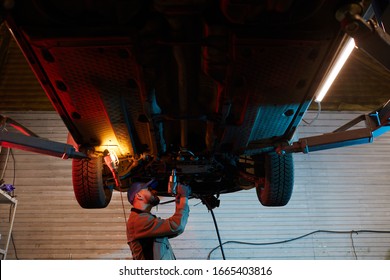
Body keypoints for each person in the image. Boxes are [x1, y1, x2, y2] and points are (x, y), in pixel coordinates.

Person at [126, 179, 191, 260]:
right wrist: (184, 197)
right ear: (139, 195)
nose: (155, 191)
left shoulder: (144, 219)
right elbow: (176, 226)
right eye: (149, 189)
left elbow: (175, 230)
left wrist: (179, 204)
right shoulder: (139, 220)